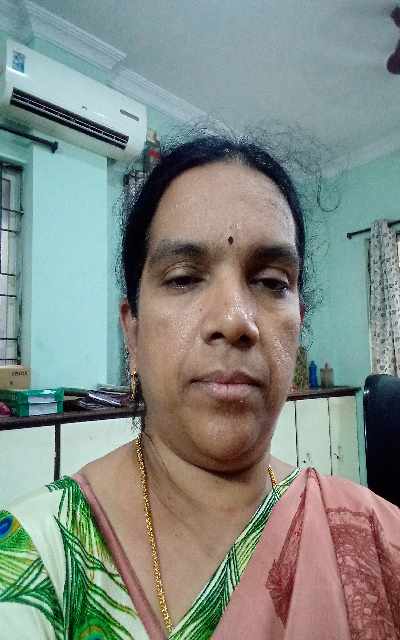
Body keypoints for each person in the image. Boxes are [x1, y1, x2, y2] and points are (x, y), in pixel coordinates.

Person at [0, 134, 399, 640]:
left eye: (272, 282)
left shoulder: (373, 537)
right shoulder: (35, 560)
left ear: (299, 321)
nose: (235, 321)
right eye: (184, 277)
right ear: (132, 332)